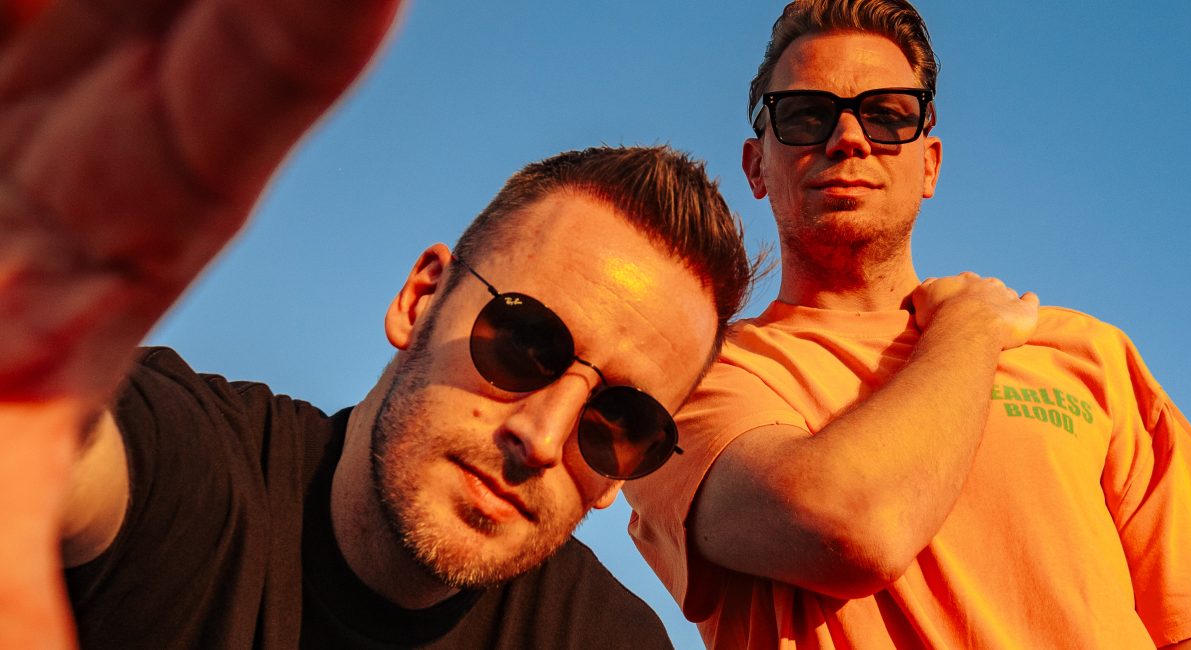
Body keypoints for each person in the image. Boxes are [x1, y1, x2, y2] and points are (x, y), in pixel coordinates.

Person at [0, 0, 754, 648]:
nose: (544, 437)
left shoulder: (600, 638)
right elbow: (69, 459)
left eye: (621, 421)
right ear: (421, 299)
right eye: (527, 343)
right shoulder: (196, 478)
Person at [624, 1, 1191, 648]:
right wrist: (969, 328)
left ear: (930, 165)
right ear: (756, 167)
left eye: (888, 115)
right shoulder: (690, 379)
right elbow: (850, 527)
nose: (849, 138)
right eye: (805, 115)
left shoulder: (1086, 352)